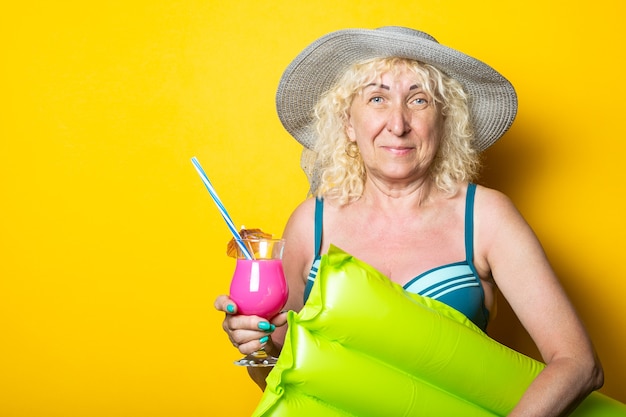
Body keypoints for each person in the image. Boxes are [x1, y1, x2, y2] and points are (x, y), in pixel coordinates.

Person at [214, 26, 603, 416]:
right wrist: (258, 348)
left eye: (418, 100)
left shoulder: (485, 218)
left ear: (444, 121)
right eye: (377, 99)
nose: (398, 124)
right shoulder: (310, 224)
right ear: (349, 123)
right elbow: (286, 380)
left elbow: (578, 364)